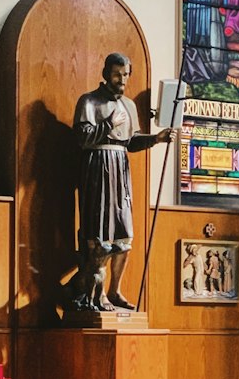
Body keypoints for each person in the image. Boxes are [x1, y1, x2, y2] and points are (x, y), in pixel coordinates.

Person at [72, 52, 174, 312]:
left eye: (126, 74)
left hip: (120, 170)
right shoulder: (89, 101)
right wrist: (107, 124)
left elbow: (131, 141)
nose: (122, 79)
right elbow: (82, 138)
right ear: (106, 73)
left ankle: (115, 290)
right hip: (97, 170)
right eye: (117, 74)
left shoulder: (129, 105)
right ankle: (97, 294)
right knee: (100, 236)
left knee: (124, 235)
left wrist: (156, 139)